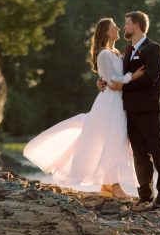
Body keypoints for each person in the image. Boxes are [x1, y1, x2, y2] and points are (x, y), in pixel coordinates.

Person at [24, 18, 141, 200]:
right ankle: (116, 187)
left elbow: (110, 77)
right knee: (114, 141)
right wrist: (133, 77)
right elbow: (112, 82)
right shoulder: (104, 54)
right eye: (113, 26)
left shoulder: (115, 52)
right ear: (105, 31)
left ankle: (107, 184)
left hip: (118, 102)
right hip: (111, 102)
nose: (117, 28)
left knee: (113, 140)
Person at [98, 11, 160, 211]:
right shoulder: (127, 50)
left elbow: (150, 79)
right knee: (139, 153)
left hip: (149, 108)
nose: (124, 27)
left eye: (127, 23)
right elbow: (117, 74)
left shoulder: (154, 49)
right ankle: (145, 195)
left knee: (157, 149)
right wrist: (103, 81)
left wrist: (123, 86)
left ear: (137, 25)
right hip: (128, 110)